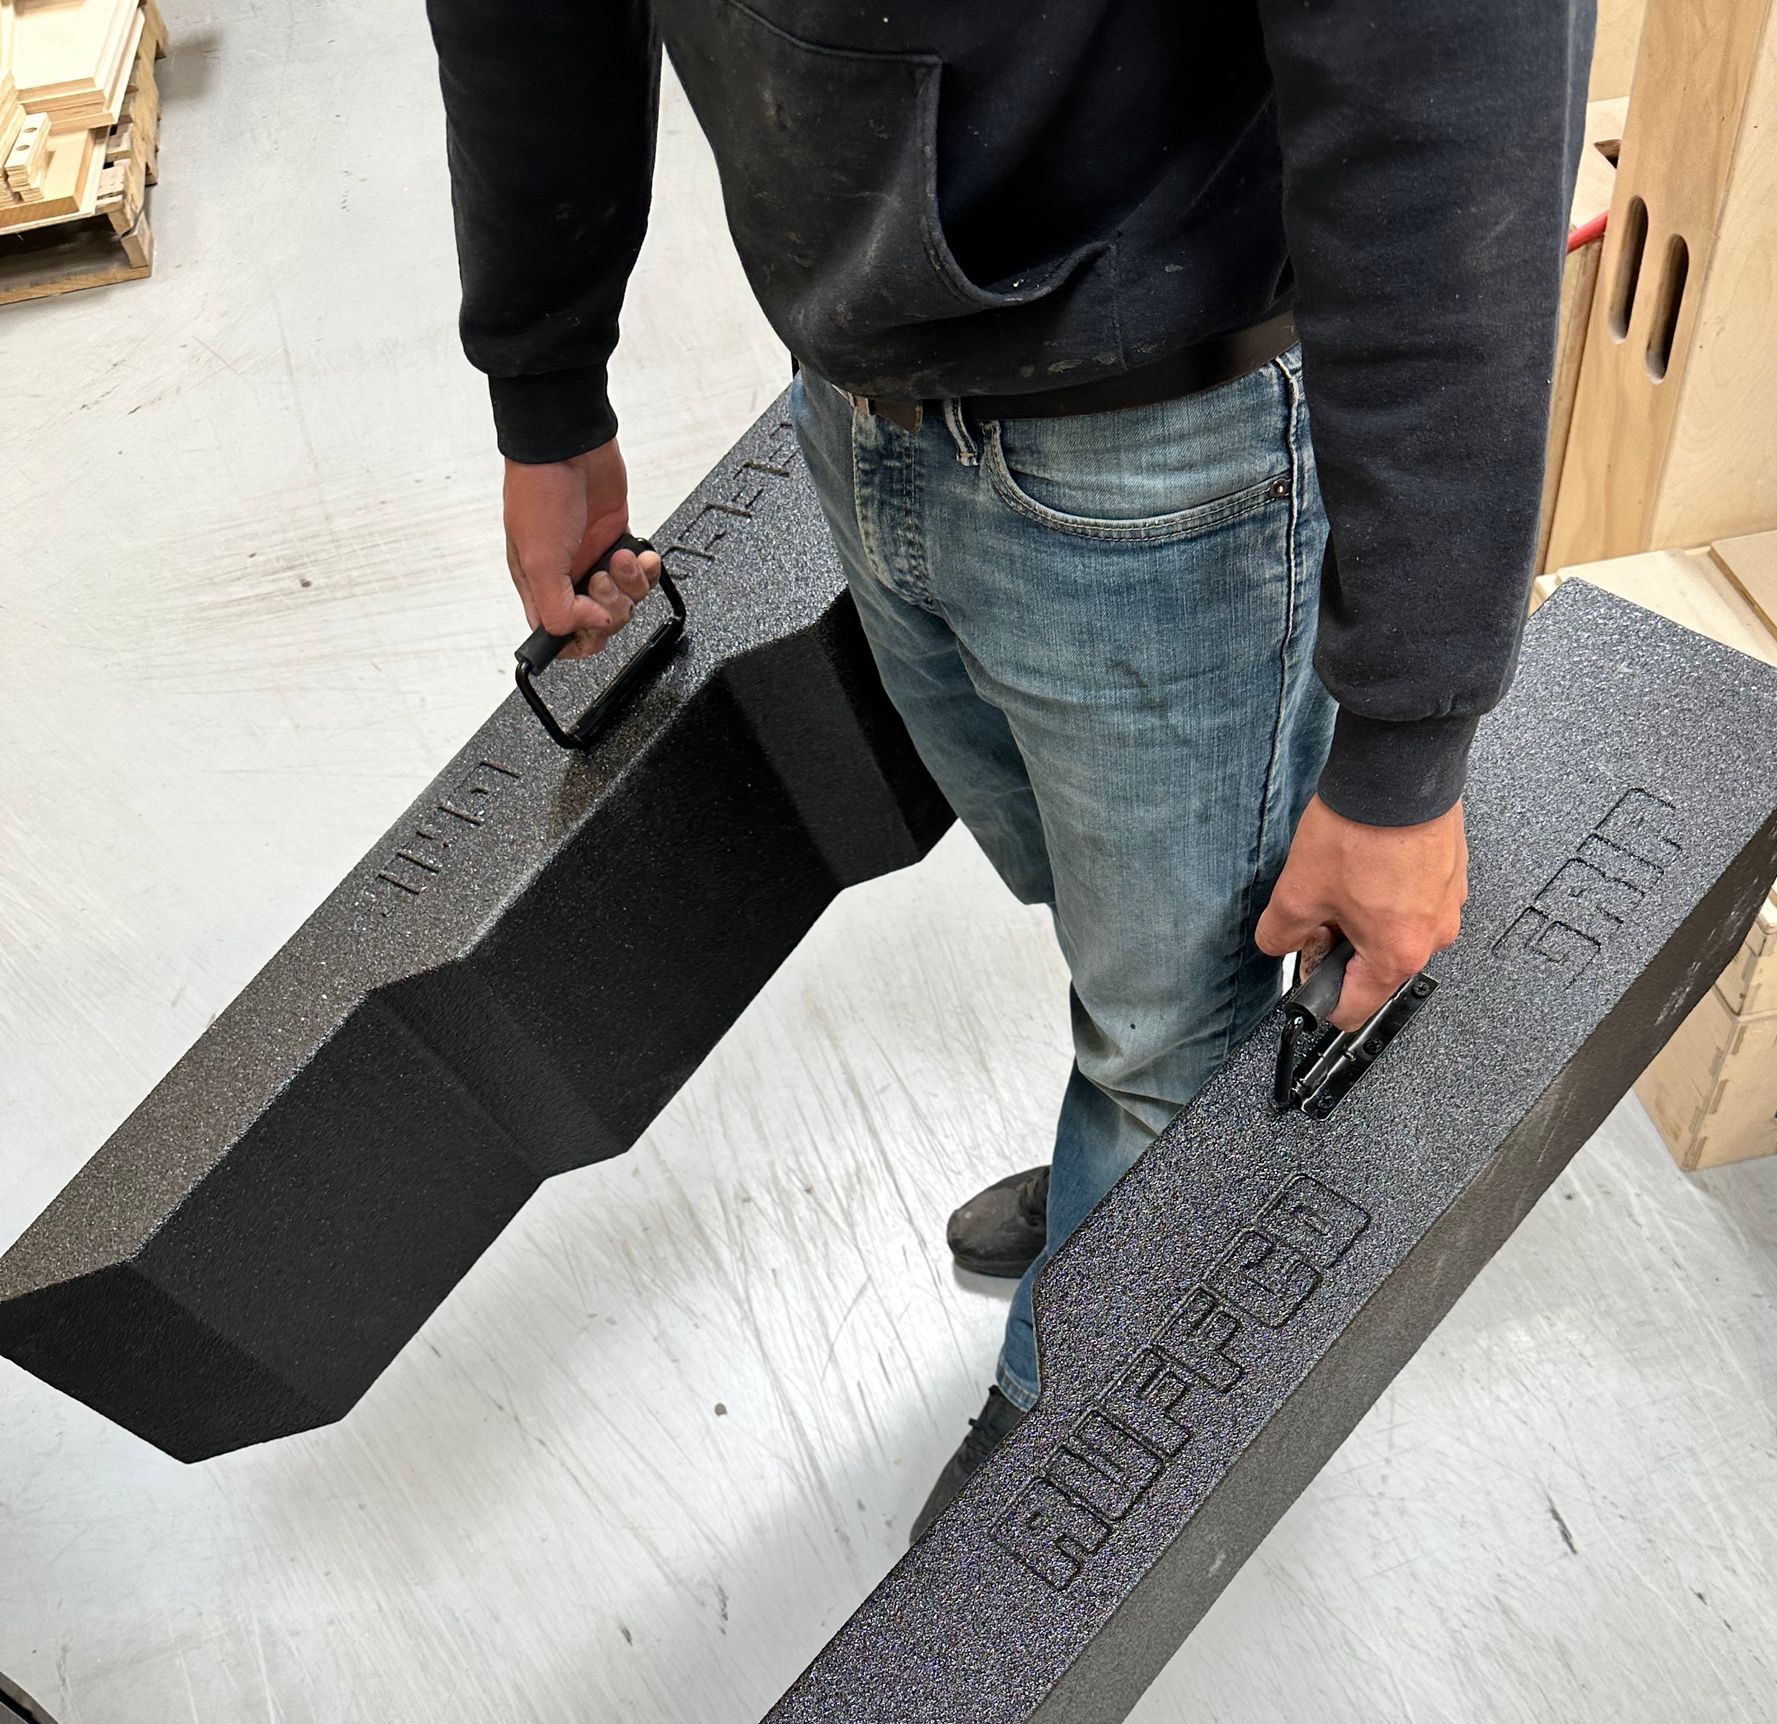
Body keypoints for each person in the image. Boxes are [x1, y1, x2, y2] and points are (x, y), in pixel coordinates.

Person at [427, 0, 1592, 1535]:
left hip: (1165, 435)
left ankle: (1076, 1388)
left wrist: (1406, 743)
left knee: (1182, 1017)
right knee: (1106, 929)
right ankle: (1125, 1145)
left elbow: (1449, 94)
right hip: (858, 394)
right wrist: (545, 388)